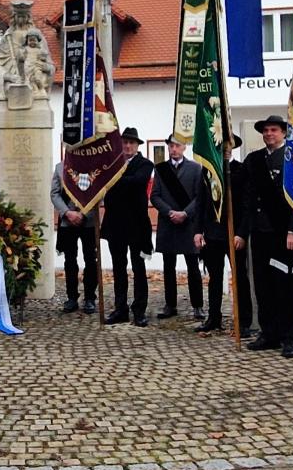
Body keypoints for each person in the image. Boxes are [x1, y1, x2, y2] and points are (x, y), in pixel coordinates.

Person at [241, 116, 293, 358]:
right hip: (260, 231)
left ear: (284, 133)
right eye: (265, 130)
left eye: (273, 130)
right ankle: (269, 333)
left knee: (285, 286)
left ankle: (291, 337)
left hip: (283, 232)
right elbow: (245, 197)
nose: (269, 134)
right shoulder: (254, 160)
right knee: (263, 285)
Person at [194, 134, 253, 335]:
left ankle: (244, 321)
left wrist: (242, 233)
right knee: (214, 277)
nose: (226, 149)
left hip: (234, 233)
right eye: (222, 145)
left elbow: (247, 205)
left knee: (240, 278)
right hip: (213, 233)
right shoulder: (209, 170)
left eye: (229, 145)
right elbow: (201, 202)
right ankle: (214, 317)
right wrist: (198, 231)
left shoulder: (241, 169)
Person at [101, 127, 154, 327]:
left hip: (137, 225)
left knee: (138, 268)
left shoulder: (145, 164)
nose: (128, 146)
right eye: (124, 142)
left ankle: (139, 310)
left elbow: (137, 182)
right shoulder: (113, 163)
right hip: (116, 224)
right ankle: (120, 308)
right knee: (118, 268)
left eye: (131, 143)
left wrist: (113, 181)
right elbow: (103, 184)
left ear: (137, 145)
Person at [150, 135, 204, 320]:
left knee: (193, 268)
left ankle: (198, 305)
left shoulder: (196, 169)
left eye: (177, 146)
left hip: (189, 224)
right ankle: (170, 305)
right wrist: (170, 212)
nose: (173, 149)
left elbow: (200, 197)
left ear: (184, 147)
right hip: (168, 223)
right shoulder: (161, 169)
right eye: (171, 146)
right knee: (168, 267)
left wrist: (185, 213)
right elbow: (154, 196)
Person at [51, 162, 99, 314]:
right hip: (67, 220)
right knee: (70, 260)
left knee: (91, 259)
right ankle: (71, 297)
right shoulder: (60, 167)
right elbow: (54, 193)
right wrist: (67, 212)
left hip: (89, 221)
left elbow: (99, 192)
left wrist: (84, 214)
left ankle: (90, 297)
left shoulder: (93, 165)